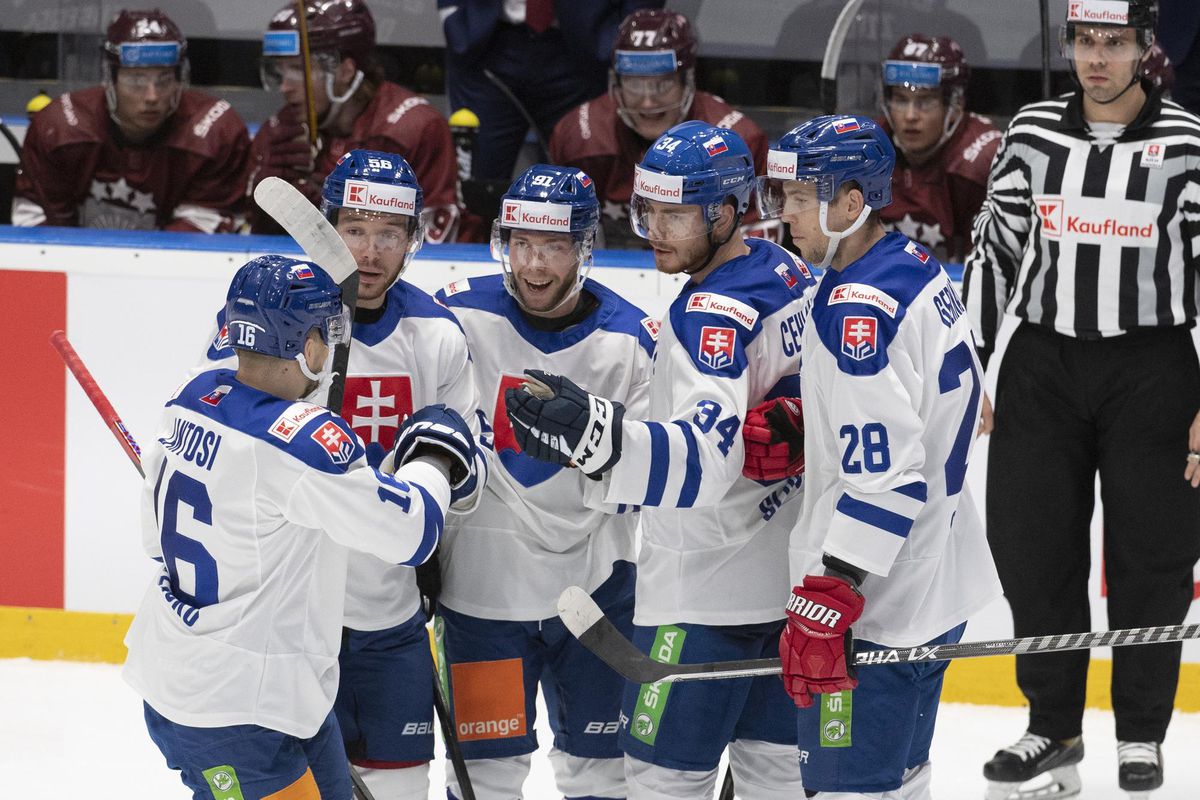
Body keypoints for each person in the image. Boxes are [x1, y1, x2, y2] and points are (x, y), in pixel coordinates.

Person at [506, 122, 814, 800]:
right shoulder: (788, 273)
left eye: (675, 213)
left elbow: (703, 461)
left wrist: (600, 439)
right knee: (777, 780)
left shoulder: (711, 313)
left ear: (728, 211)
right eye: (648, 210)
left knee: (659, 784)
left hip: (701, 599)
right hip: (785, 592)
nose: (655, 229)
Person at [122, 253, 478, 798]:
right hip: (235, 713)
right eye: (330, 335)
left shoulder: (192, 399)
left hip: (220, 678)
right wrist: (433, 456)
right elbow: (413, 532)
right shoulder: (302, 445)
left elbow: (154, 541)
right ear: (310, 345)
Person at [962, 1, 1200, 796]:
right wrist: (972, 369)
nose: (1098, 57)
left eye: (1116, 42)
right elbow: (994, 253)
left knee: (1152, 562)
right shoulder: (1029, 132)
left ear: (1144, 48)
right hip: (1042, 366)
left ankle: (1141, 733)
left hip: (1154, 370)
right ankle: (1052, 728)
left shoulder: (1189, 145)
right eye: (1086, 41)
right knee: (1034, 552)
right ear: (1070, 44)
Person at [197, 149, 488, 799]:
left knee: (401, 790)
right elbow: (216, 435)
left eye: (390, 234)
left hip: (385, 620)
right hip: (281, 628)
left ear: (415, 239)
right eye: (354, 230)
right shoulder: (269, 316)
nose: (370, 250)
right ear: (325, 227)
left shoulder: (437, 336)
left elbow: (468, 474)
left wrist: (443, 500)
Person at [741, 113, 1001, 799]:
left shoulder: (854, 312)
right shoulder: (914, 266)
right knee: (901, 781)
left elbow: (886, 480)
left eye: (800, 199)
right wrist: (814, 427)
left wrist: (833, 594)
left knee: (849, 789)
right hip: (935, 578)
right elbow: (951, 410)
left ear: (851, 203)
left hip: (877, 604)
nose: (783, 215)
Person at [433, 163, 654, 800]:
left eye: (554, 246)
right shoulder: (455, 316)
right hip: (482, 598)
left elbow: (649, 476)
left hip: (597, 595)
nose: (533, 265)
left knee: (604, 773)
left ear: (584, 247)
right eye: (522, 243)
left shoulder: (634, 340)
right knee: (486, 777)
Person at [549, 9, 773, 248]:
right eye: (634, 85)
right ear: (617, 84)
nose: (647, 102)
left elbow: (755, 249)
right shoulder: (580, 138)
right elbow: (557, 239)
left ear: (687, 81)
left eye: (663, 84)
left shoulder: (738, 143)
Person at [12, 8, 250, 231]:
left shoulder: (214, 133)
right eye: (136, 80)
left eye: (164, 79)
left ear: (180, 80)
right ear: (110, 80)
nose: (152, 96)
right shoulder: (60, 128)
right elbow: (38, 236)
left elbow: (200, 243)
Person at [251, 0, 460, 242]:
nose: (285, 87)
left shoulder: (416, 128)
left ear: (345, 70)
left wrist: (336, 215)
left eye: (299, 69)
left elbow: (438, 241)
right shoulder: (279, 132)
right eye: (280, 71)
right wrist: (263, 203)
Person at [438, 0, 663, 186]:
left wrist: (633, 32)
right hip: (486, 43)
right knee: (475, 186)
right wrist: (451, 11)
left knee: (576, 184)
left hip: (586, 48)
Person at [876, 33, 1001, 263]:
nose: (910, 116)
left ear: (956, 104)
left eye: (925, 101)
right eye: (901, 100)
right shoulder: (868, 150)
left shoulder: (981, 165)